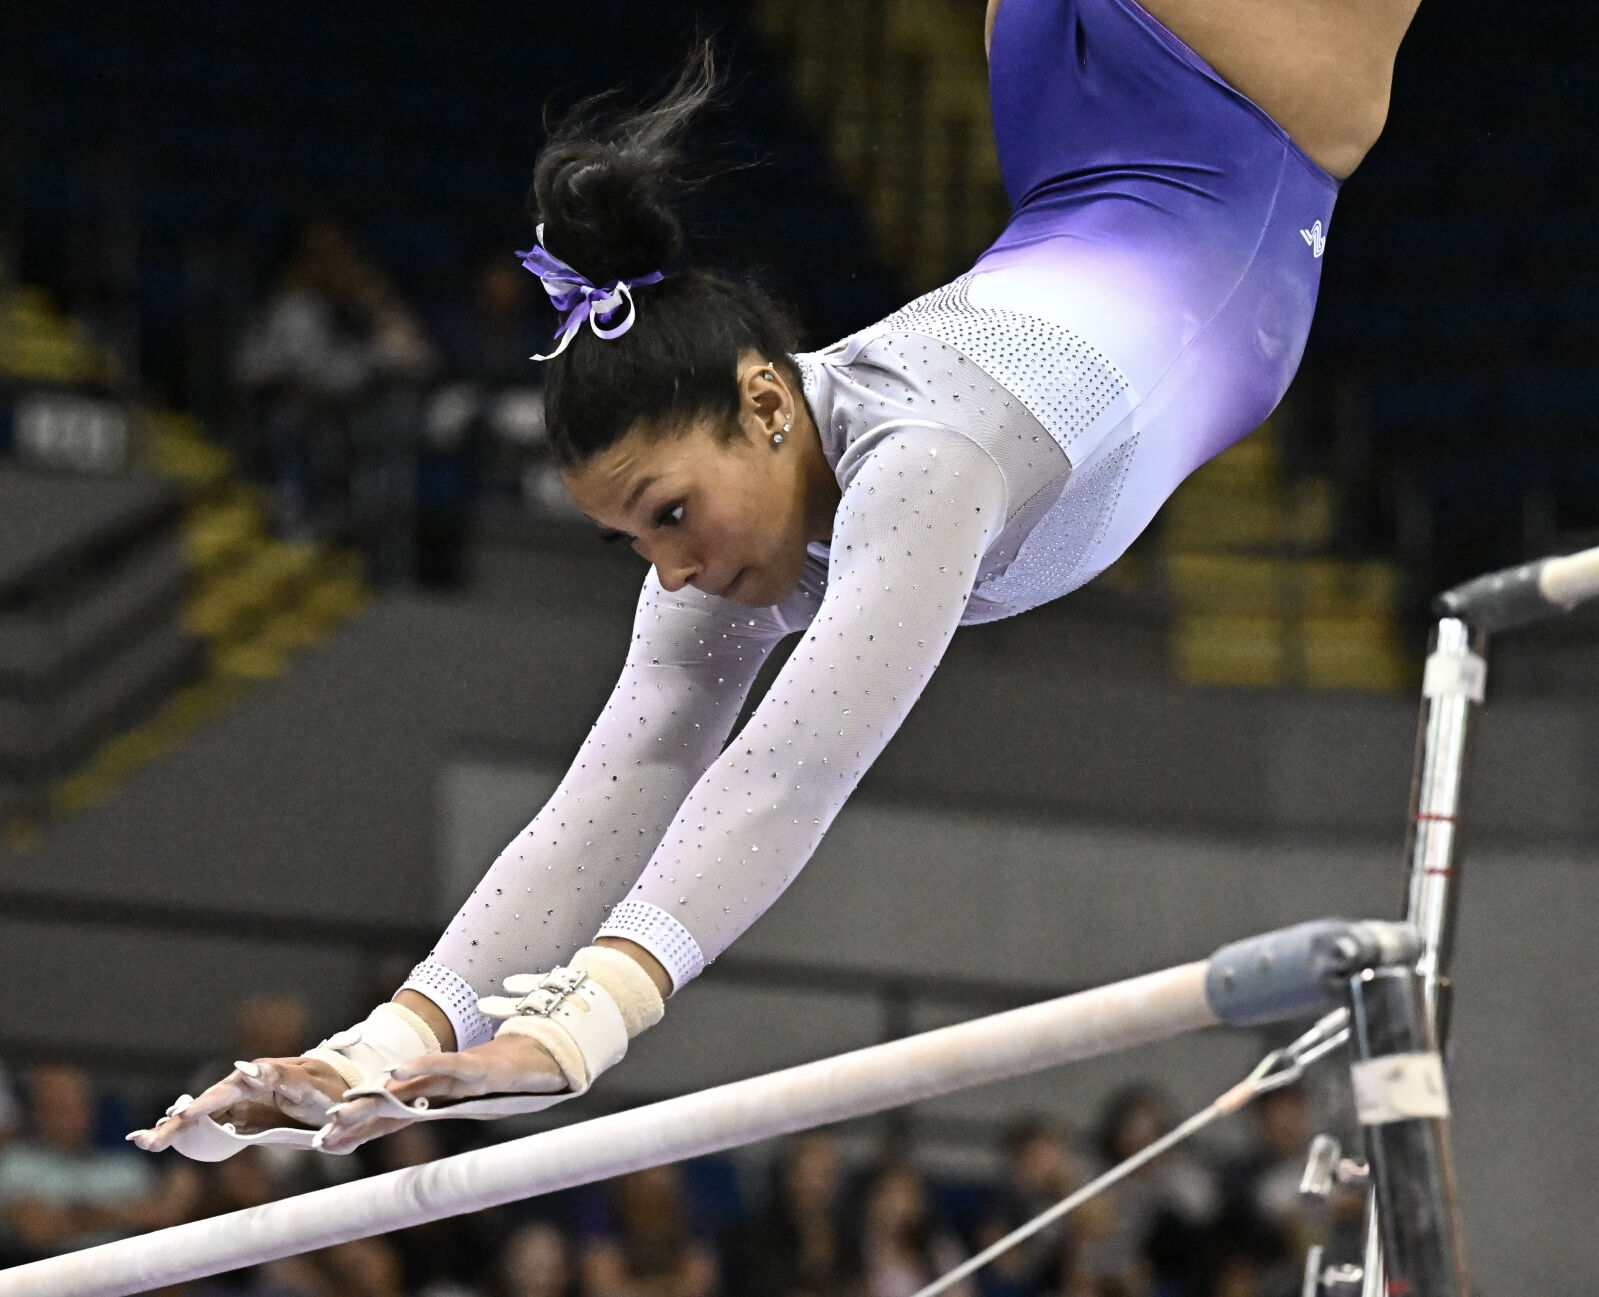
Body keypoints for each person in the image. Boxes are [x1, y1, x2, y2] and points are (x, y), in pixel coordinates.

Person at [132, 0, 1422, 1161]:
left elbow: (791, 769)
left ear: (764, 397)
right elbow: (621, 775)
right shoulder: (758, 481)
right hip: (1090, 132)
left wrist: (583, 1028)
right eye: (637, 544)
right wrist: (375, 1048)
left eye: (672, 516)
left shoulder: (929, 460)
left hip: (1239, 115)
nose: (676, 569)